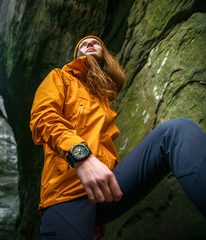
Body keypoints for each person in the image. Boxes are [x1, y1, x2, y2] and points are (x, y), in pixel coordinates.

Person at [29, 35, 206, 240]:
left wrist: (101, 213)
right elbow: (43, 118)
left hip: (105, 190)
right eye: (83, 44)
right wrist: (81, 157)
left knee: (176, 130)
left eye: (96, 43)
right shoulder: (60, 77)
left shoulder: (104, 100)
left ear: (105, 54)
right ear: (76, 56)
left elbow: (105, 151)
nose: (89, 44)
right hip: (66, 194)